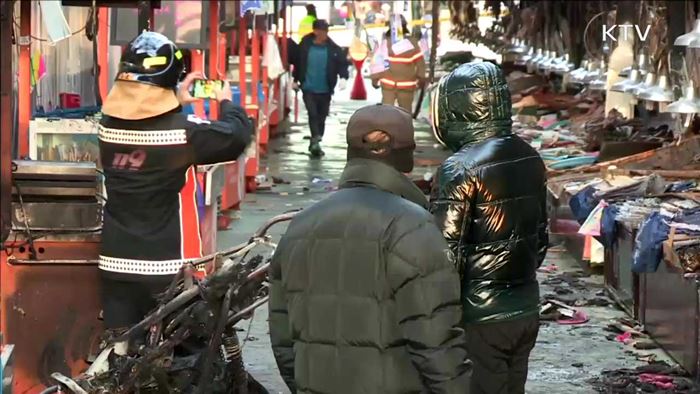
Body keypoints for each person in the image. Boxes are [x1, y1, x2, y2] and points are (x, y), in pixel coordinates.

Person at [269, 104, 471, 393]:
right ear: (407, 157)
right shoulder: (413, 227)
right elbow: (436, 342)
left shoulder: (299, 227)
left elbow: (283, 340)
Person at [97, 31, 253, 352]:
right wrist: (225, 100)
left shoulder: (107, 128)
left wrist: (177, 100)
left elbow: (143, 119)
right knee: (181, 357)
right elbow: (236, 136)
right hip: (167, 269)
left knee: (122, 357)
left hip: (115, 264)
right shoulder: (183, 135)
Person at [429, 62, 548, 394]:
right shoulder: (529, 156)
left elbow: (444, 257)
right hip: (525, 310)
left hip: (480, 316)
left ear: (456, 108)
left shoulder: (460, 168)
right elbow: (540, 242)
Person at [291, 19, 349, 157]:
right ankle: (315, 138)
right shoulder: (305, 45)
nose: (324, 34)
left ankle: (316, 139)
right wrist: (295, 79)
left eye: (326, 31)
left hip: (325, 88)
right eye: (322, 31)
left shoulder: (333, 48)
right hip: (308, 87)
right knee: (312, 113)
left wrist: (343, 77)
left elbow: (342, 63)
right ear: (315, 31)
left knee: (322, 116)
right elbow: (299, 62)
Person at [371, 14, 426, 112]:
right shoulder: (412, 43)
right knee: (404, 114)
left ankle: (388, 127)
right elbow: (420, 63)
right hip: (405, 85)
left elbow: (379, 63)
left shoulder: (386, 43)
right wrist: (421, 78)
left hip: (389, 85)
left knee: (387, 113)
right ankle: (403, 127)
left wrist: (375, 78)